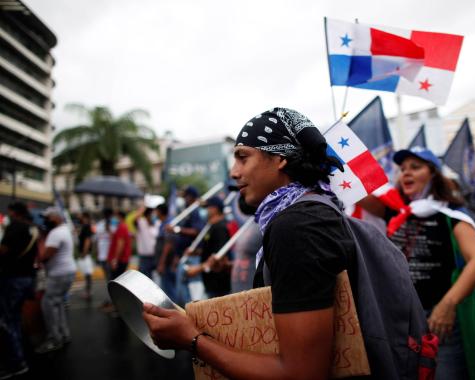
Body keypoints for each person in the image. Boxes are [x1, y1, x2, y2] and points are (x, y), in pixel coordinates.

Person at [142, 107, 426, 379]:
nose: (233, 172)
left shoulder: (298, 225)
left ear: (280, 159)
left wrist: (191, 339)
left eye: (243, 157)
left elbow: (301, 373)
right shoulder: (313, 209)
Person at [380, 147, 475, 379]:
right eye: (402, 169)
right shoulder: (397, 211)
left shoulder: (452, 215)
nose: (406, 173)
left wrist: (447, 306)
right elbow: (358, 190)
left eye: (415, 167)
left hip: (437, 320)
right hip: (400, 321)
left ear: (433, 175)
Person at [0, 202, 39, 378]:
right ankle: (20, 351)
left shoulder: (15, 227)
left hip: (13, 277)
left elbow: (3, 249)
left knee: (8, 319)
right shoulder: (33, 229)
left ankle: (17, 362)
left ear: (14, 213)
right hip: (28, 277)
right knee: (15, 316)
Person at [36, 207, 77, 354]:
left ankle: (55, 339)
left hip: (59, 274)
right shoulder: (65, 229)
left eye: (48, 217)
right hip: (67, 271)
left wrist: (40, 240)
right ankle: (64, 334)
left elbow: (45, 256)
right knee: (57, 303)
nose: (46, 220)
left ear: (57, 218)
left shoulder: (55, 233)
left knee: (48, 304)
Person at [184, 196, 231, 298]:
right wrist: (195, 252)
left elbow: (220, 257)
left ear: (215, 209)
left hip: (218, 284)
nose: (205, 211)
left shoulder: (220, 228)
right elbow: (210, 249)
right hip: (210, 282)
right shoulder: (211, 226)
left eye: (207, 207)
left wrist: (197, 268)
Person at [165, 186, 204, 305]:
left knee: (189, 294)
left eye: (186, 196)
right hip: (183, 256)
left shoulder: (195, 212)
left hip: (191, 257)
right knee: (181, 292)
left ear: (191, 197)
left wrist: (176, 229)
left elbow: (196, 231)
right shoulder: (187, 211)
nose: (184, 199)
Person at [133, 206, 159, 278]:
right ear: (147, 214)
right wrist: (142, 208)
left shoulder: (157, 223)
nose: (154, 216)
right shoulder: (141, 222)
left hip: (155, 256)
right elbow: (135, 220)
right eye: (152, 214)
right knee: (145, 278)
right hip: (144, 257)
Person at [107, 210, 132, 280]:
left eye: (114, 216)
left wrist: (115, 260)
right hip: (121, 260)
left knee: (116, 281)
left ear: (119, 217)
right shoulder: (123, 227)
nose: (113, 218)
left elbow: (120, 245)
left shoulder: (121, 227)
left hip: (120, 260)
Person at [77, 211, 94, 299]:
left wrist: (84, 252)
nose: (78, 216)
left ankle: (88, 292)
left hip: (85, 254)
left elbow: (87, 240)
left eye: (80, 215)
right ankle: (88, 292)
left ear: (84, 217)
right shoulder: (85, 226)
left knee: (88, 274)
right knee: (87, 274)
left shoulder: (86, 226)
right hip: (85, 254)